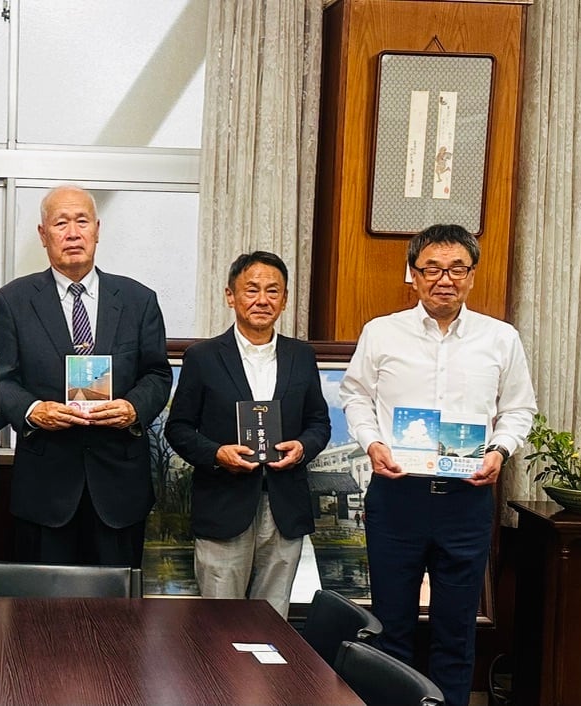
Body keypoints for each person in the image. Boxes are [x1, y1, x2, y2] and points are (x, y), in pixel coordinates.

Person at [339, 224, 536, 706]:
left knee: (456, 629)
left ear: (472, 275)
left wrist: (499, 450)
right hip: (397, 497)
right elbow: (355, 396)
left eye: (456, 269)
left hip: (466, 500)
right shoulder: (382, 332)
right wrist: (372, 443)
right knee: (391, 627)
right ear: (413, 273)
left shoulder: (500, 338)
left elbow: (519, 409)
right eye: (431, 269)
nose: (444, 279)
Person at [0, 184, 172, 568]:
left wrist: (133, 408)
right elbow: (1, 378)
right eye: (61, 223)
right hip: (45, 488)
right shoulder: (13, 300)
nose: (72, 233)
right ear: (43, 235)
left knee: (117, 604)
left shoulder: (138, 300)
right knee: (42, 604)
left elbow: (157, 373)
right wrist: (33, 410)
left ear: (97, 229)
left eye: (82, 221)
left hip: (119, 487)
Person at [164, 251, 330, 618]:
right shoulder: (203, 357)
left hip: (284, 505)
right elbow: (178, 428)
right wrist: (216, 453)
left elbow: (319, 423)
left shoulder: (301, 356)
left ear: (284, 299)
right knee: (220, 621)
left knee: (272, 619)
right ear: (230, 295)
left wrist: (302, 447)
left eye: (273, 291)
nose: (262, 300)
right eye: (252, 290)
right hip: (224, 502)